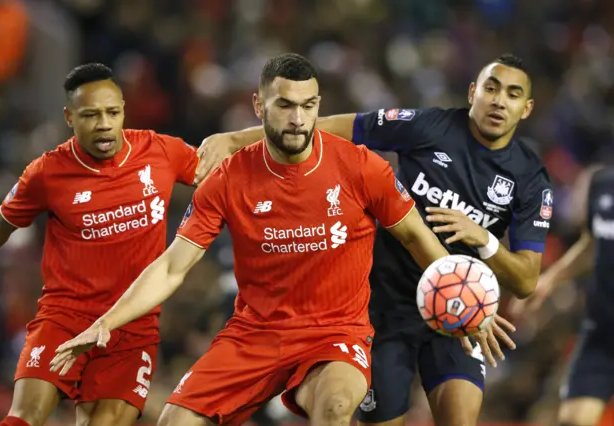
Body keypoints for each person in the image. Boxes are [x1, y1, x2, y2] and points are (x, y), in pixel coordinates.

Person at [49, 53, 453, 426]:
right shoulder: (228, 179)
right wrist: (105, 322)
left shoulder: (361, 167)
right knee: (174, 421)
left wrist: (461, 300)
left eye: (308, 106)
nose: (298, 118)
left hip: (335, 333)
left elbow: (416, 237)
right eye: (285, 105)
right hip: (254, 335)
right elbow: (173, 266)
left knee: (335, 407)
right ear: (260, 107)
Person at [195, 53, 551, 426]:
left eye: (512, 94)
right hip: (382, 308)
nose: (498, 100)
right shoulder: (428, 127)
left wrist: (484, 239)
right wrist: (235, 140)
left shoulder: (529, 178)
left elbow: (526, 280)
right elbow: (330, 128)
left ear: (525, 109)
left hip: (456, 309)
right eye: (491, 88)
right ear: (473, 91)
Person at [0, 63, 199, 426]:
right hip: (65, 318)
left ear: (124, 109)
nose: (105, 123)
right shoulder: (47, 173)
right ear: (69, 117)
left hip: (132, 327)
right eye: (91, 115)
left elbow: (229, 172)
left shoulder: (162, 152)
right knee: (24, 417)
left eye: (112, 112)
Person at [511, 165, 612, 426]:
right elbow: (591, 244)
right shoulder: (603, 183)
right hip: (602, 332)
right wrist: (548, 281)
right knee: (573, 420)